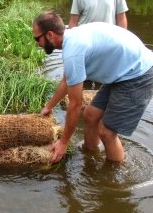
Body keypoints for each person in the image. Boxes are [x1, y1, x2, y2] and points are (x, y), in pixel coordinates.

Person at [32, 11, 153, 163]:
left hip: (138, 73)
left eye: (37, 38)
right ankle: (90, 153)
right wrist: (49, 106)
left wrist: (63, 142)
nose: (37, 43)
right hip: (123, 69)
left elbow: (75, 104)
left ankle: (113, 178)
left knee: (107, 132)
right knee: (90, 115)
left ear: (49, 35)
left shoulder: (73, 52)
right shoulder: (72, 38)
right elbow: (66, 81)